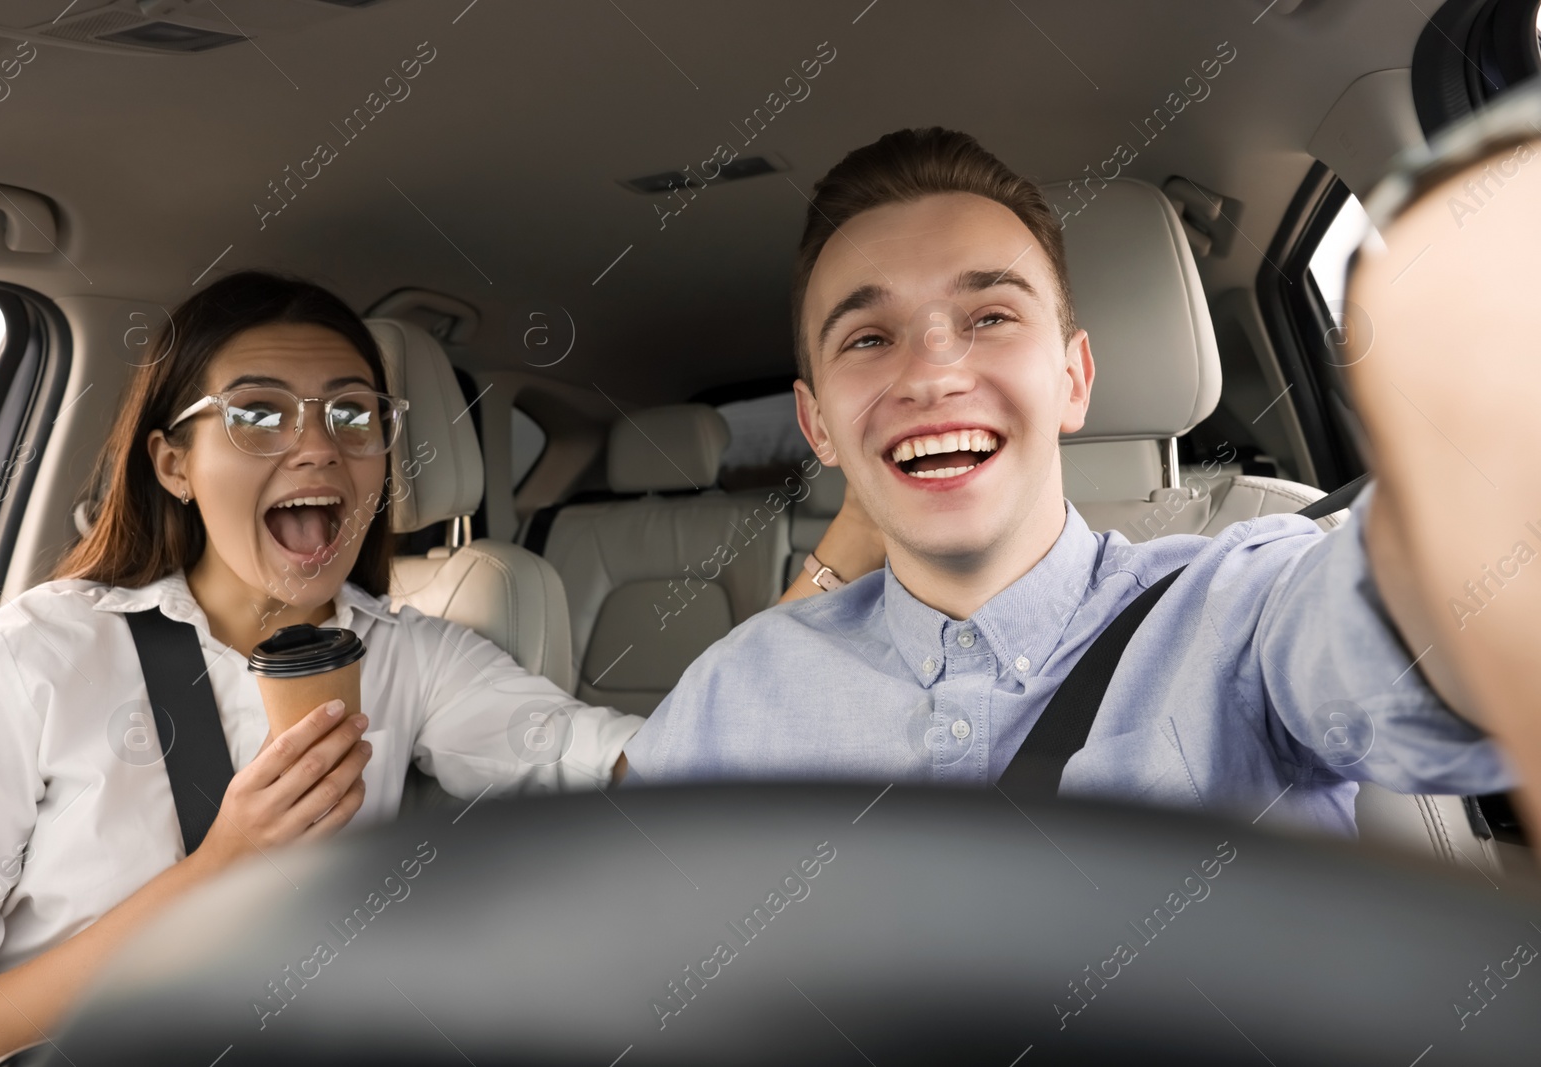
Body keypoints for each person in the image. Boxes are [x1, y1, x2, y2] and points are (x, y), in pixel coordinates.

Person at [621, 124, 1524, 832]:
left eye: (989, 315)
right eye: (868, 337)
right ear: (818, 423)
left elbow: (1420, 639)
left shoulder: (1241, 606)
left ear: (1074, 379)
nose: (933, 373)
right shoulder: (736, 689)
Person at [0, 272, 641, 1066]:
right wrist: (219, 869)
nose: (319, 446)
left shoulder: (412, 656)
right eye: (257, 415)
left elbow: (623, 760)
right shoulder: (26, 659)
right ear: (174, 465)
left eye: (353, 414)